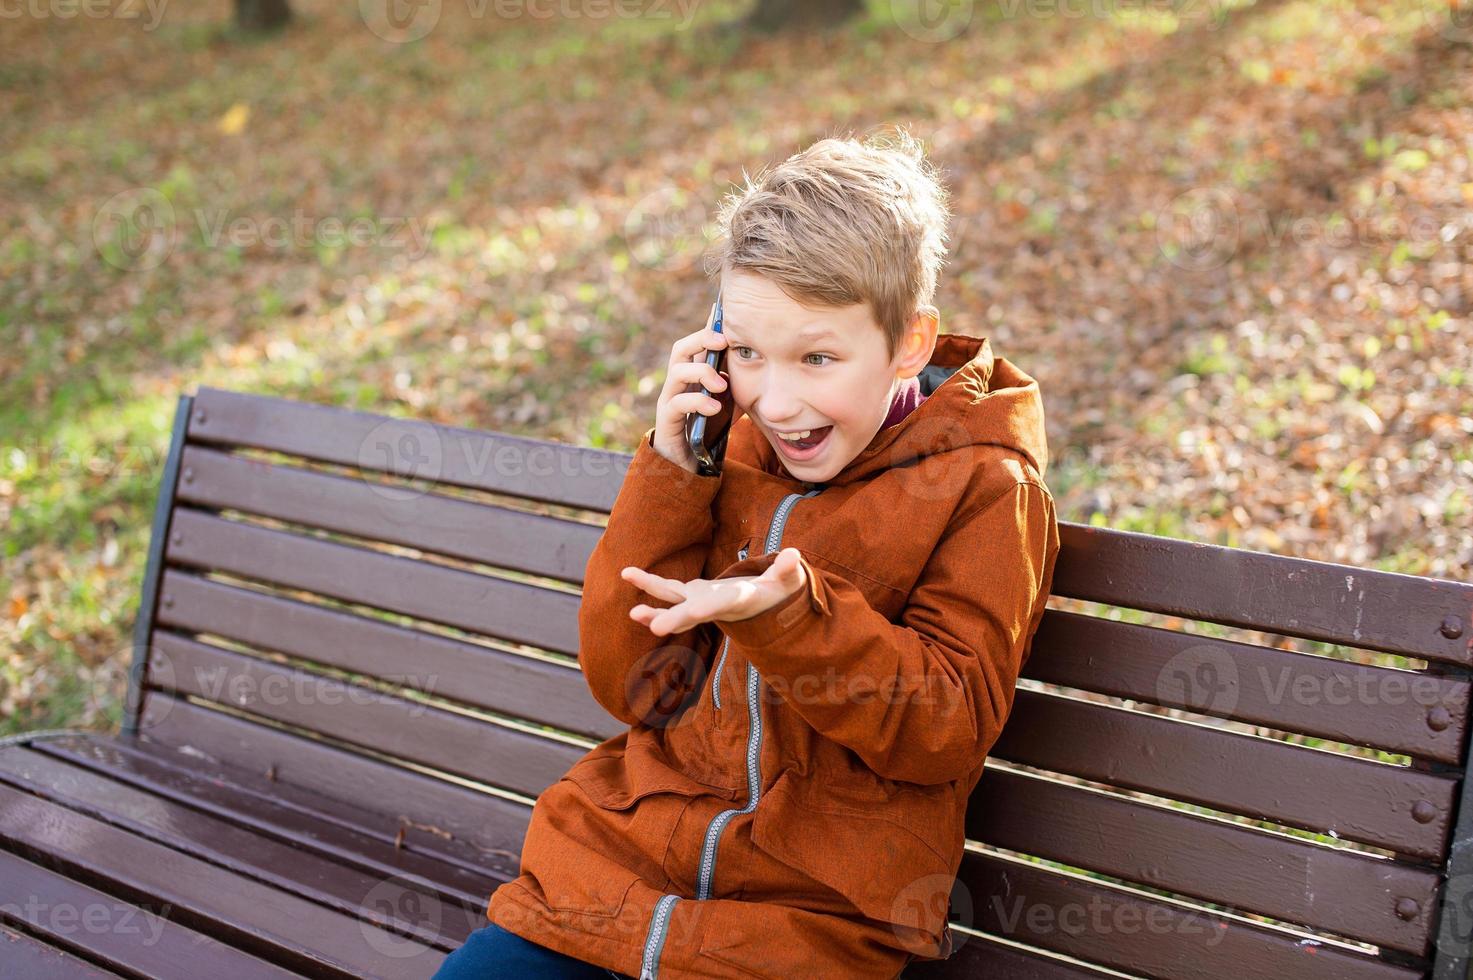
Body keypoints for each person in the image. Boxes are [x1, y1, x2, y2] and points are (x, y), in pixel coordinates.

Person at [434, 126, 1060, 980]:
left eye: (818, 357)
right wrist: (672, 471)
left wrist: (793, 620)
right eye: (748, 355)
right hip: (609, 885)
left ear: (910, 343)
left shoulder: (985, 490)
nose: (777, 398)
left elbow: (941, 730)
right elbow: (631, 688)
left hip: (802, 930)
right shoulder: (718, 451)